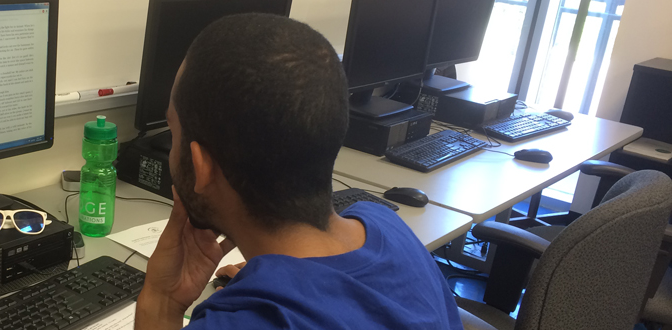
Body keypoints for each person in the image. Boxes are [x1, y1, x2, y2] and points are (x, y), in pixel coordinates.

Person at [134, 13, 463, 330]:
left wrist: (162, 300)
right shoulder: (387, 227)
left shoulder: (240, 321)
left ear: (201, 167)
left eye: (173, 130)